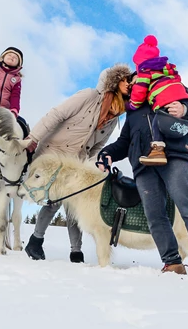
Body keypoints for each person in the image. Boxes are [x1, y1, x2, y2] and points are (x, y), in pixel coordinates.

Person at [96, 75, 188, 280]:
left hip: (175, 156)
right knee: (154, 214)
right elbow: (124, 142)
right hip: (144, 166)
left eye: (140, 78)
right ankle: (172, 262)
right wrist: (107, 154)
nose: (137, 83)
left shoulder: (169, 87)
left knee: (186, 204)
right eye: (133, 82)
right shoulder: (133, 111)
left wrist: (184, 109)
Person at [24, 64, 133, 263]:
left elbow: (98, 146)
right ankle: (35, 241)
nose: (130, 84)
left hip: (76, 161)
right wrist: (33, 138)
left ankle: (76, 252)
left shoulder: (115, 117)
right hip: (53, 154)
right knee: (54, 201)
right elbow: (57, 114)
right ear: (115, 83)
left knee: (75, 203)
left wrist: (93, 167)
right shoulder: (89, 96)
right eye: (126, 80)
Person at [130, 35, 188, 171]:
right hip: (179, 94)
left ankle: (157, 150)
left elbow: (139, 93)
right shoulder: (167, 72)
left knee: (158, 122)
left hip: (178, 153)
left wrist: (132, 104)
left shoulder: (145, 74)